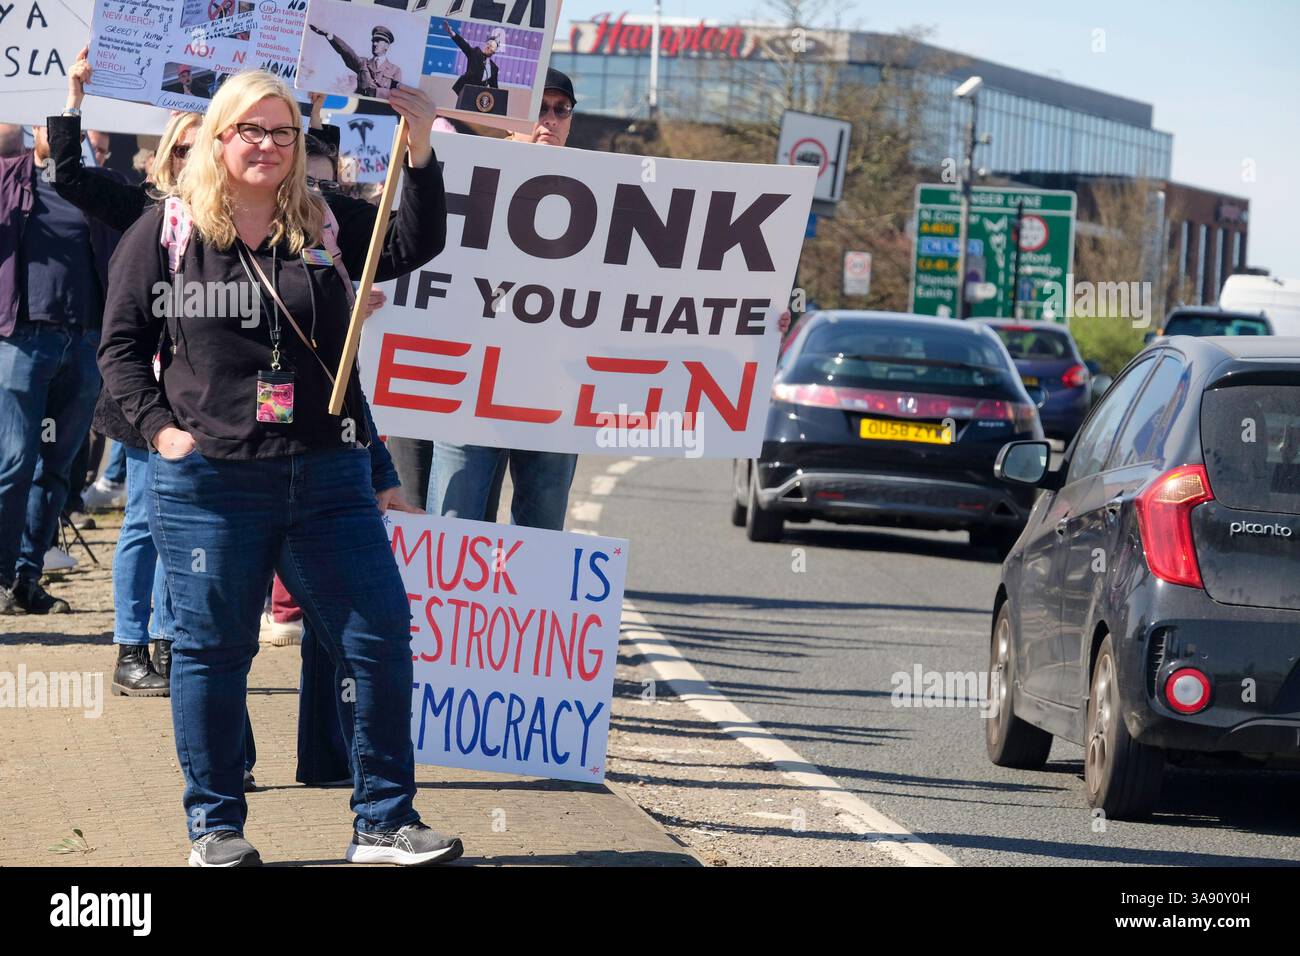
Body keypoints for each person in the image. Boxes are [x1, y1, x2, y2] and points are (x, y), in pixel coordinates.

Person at [99, 69, 460, 867]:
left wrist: (424, 146)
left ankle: (382, 821)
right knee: (214, 649)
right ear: (218, 139)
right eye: (250, 131)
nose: (267, 145)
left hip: (328, 476)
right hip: (211, 481)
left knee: (379, 639)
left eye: (283, 132)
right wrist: (163, 434)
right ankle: (216, 828)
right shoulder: (169, 230)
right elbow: (120, 349)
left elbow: (415, 241)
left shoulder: (325, 222)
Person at [426, 69, 580, 532]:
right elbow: (420, 250)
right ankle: (452, 610)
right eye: (539, 110)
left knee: (541, 530)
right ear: (514, 117)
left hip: (554, 391)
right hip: (470, 385)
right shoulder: (466, 174)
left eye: (561, 109)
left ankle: (523, 609)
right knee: (453, 524)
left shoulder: (604, 189)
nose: (549, 120)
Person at [0, 108, 124, 614]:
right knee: (12, 463)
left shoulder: (101, 186)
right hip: (22, 342)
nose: (56, 130)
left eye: (66, 120)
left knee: (57, 470)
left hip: (84, 344)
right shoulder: (9, 178)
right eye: (47, 120)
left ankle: (27, 577)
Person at [309, 23, 401, 100]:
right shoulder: (363, 63)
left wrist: (375, 92)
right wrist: (330, 36)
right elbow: (347, 52)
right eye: (373, 41)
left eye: (378, 41)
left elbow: (396, 94)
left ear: (387, 46)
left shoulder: (395, 70)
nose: (374, 44)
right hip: (358, 104)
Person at [444, 20, 503, 95]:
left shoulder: (494, 68)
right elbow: (464, 45)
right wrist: (452, 33)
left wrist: (498, 97)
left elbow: (494, 88)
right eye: (488, 44)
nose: (488, 46)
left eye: (491, 46)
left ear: (494, 51)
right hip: (465, 90)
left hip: (480, 95)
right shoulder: (476, 53)